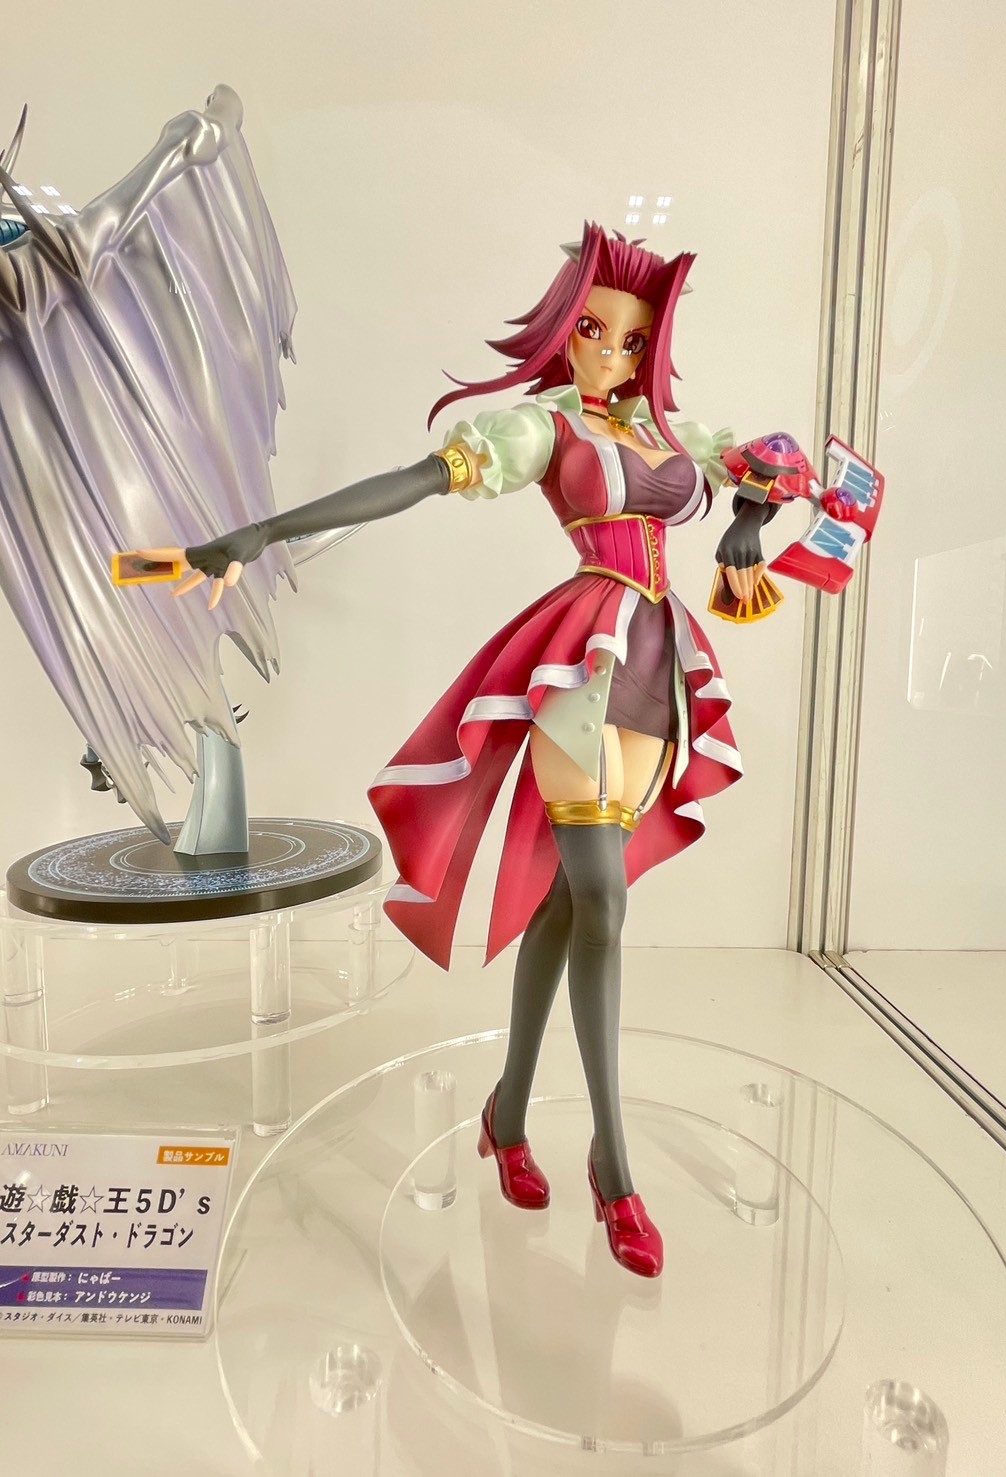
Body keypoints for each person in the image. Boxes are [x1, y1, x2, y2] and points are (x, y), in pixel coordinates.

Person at [151, 223, 780, 1278]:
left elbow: (769, 463)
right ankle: (614, 1168)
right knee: (604, 901)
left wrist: (749, 517)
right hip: (580, 665)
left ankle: (506, 1114)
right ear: (565, 328)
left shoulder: (666, 432)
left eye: (632, 340)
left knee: (570, 903)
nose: (611, 354)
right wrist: (259, 535)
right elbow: (412, 480)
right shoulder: (541, 428)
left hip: (658, 669)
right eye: (593, 331)